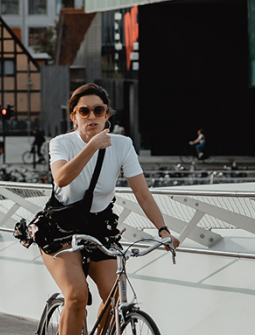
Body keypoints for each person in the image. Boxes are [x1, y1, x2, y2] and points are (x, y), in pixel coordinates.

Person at [40, 83, 178, 335]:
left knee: (115, 298)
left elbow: (143, 194)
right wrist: (92, 145)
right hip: (61, 230)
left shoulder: (123, 145)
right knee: (76, 295)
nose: (91, 116)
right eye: (84, 111)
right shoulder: (60, 143)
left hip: (99, 228)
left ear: (107, 115)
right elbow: (60, 178)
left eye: (98, 110)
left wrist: (163, 230)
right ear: (73, 117)